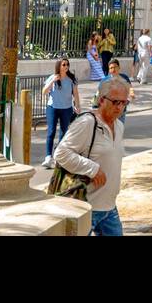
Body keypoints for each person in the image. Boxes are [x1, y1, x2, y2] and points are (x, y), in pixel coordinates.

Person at [54, 76, 129, 236]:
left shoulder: (119, 126)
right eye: (116, 102)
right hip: (86, 206)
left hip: (109, 207)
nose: (120, 107)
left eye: (124, 103)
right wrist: (92, 169)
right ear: (102, 100)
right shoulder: (87, 123)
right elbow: (61, 153)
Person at [41, 57, 82, 168]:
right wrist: (53, 81)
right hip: (52, 108)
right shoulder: (52, 77)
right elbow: (44, 92)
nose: (66, 66)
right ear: (58, 66)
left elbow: (76, 94)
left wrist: (78, 106)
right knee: (51, 131)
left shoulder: (71, 79)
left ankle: (58, 156)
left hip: (67, 109)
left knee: (64, 133)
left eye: (67, 64)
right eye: (63, 64)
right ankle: (48, 157)